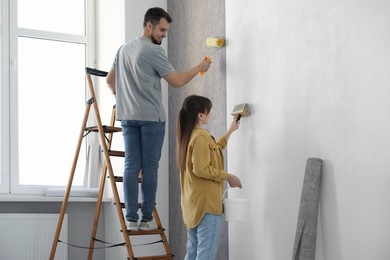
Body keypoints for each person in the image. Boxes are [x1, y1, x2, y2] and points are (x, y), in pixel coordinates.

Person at [106, 7, 212, 231]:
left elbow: (109, 81)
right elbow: (177, 81)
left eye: (166, 31)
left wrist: (121, 97)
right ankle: (146, 219)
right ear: (149, 26)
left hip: (127, 117)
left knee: (131, 166)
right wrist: (199, 67)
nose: (164, 35)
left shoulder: (123, 49)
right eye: (162, 30)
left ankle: (131, 217)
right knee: (150, 167)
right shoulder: (153, 52)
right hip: (151, 119)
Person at [176, 95, 243, 260]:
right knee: (205, 255)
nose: (210, 114)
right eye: (209, 111)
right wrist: (228, 177)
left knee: (192, 254)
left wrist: (230, 131)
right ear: (200, 115)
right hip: (206, 206)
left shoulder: (188, 136)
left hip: (193, 206)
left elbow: (213, 150)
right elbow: (201, 168)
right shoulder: (200, 137)